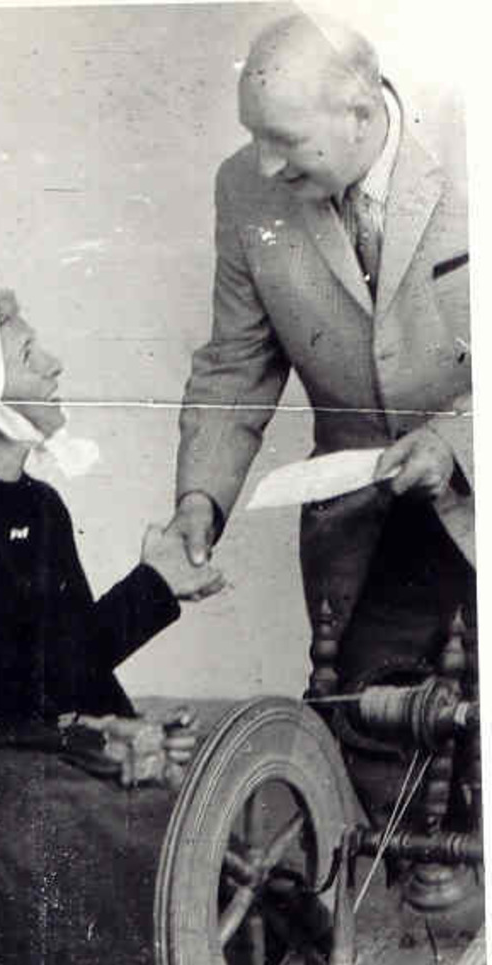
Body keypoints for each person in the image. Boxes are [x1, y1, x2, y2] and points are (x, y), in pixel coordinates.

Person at [169, 10, 476, 823]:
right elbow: (236, 360)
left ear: (361, 112)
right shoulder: (244, 188)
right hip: (363, 525)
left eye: (284, 140)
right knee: (366, 741)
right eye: (254, 136)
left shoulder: (471, 142)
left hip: (475, 494)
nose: (266, 163)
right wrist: (199, 499)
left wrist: (453, 442)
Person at [0, 287, 223, 965]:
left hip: (24, 754)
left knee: (179, 807)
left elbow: (70, 665)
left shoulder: (41, 505)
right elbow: (11, 683)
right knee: (123, 840)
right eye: (29, 355)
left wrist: (128, 729)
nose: (54, 364)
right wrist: (154, 588)